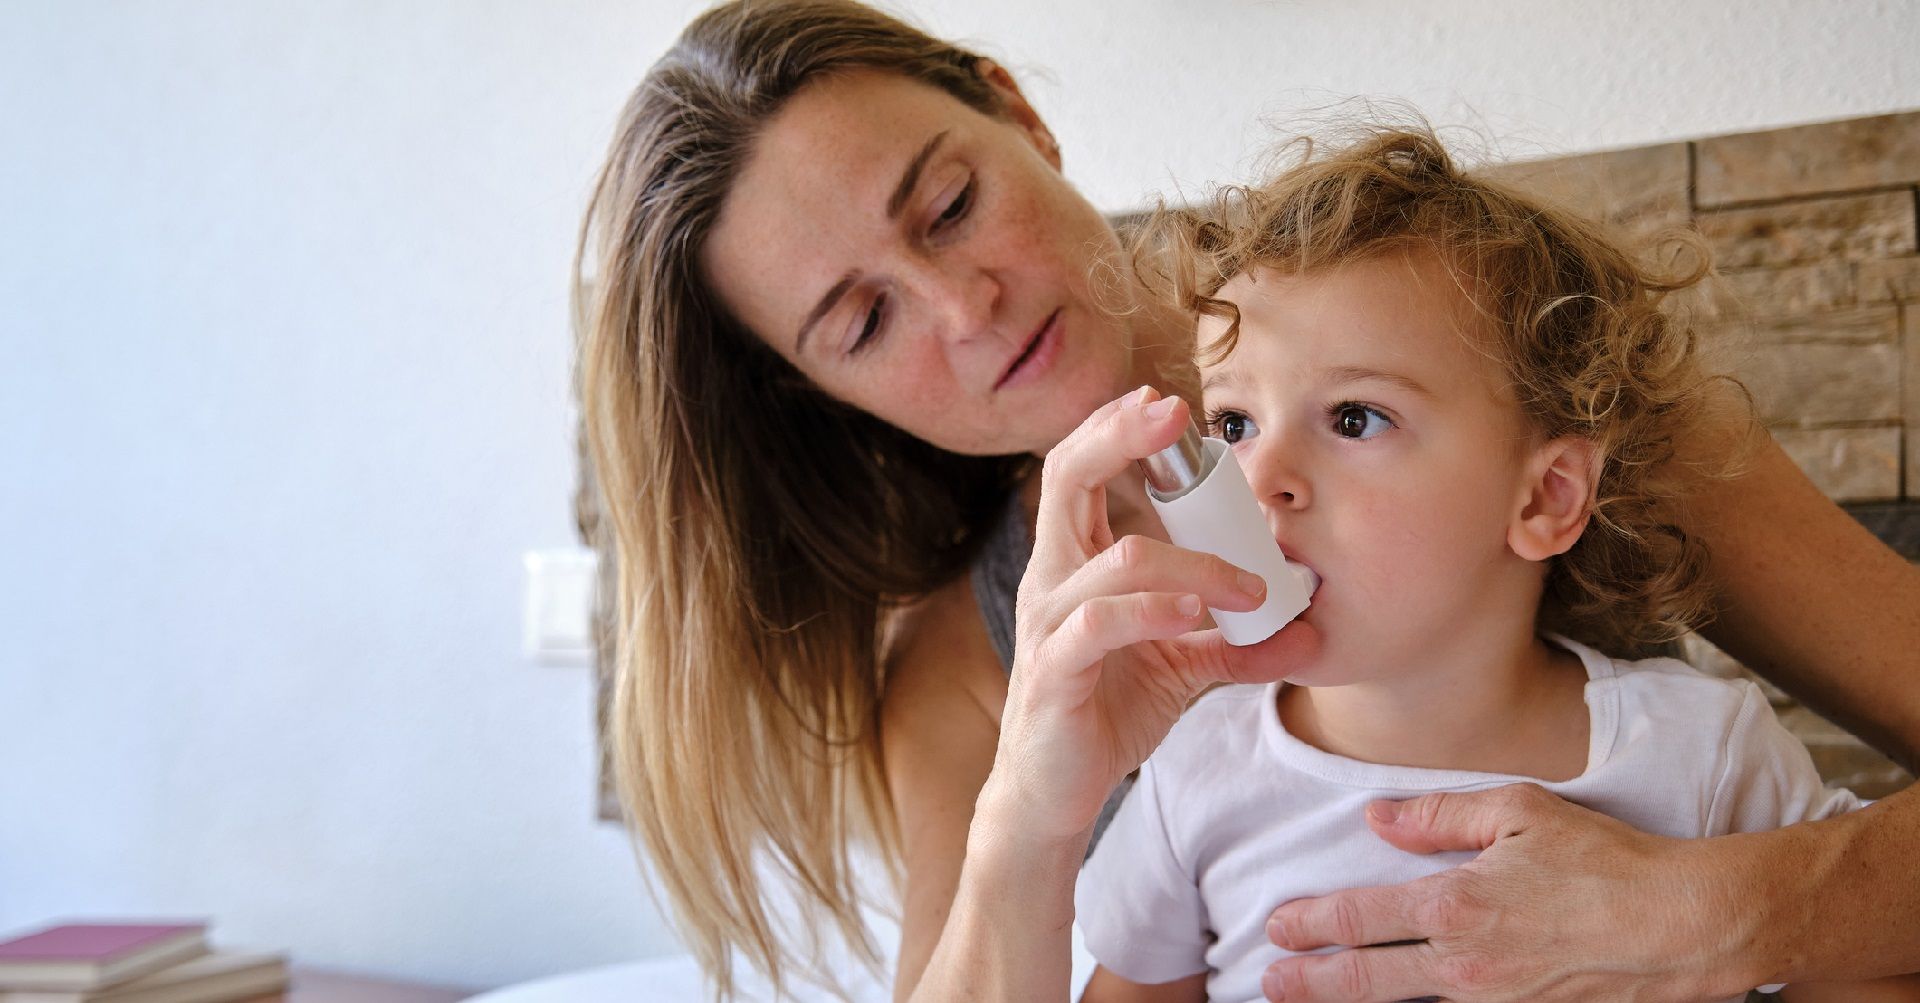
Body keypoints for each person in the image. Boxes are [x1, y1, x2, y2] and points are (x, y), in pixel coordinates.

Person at [572, 1, 1920, 999]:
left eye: (948, 205)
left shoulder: (1523, 367)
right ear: (822, 392)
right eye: (863, 320)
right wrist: (1029, 814)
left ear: (1017, 114)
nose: (964, 306)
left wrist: (1715, 911)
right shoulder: (970, 656)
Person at [1066, 125, 1920, 1003]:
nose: (1262, 480)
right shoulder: (1192, 772)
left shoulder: (1702, 756)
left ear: (1546, 497)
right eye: (1235, 424)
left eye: (1356, 418)